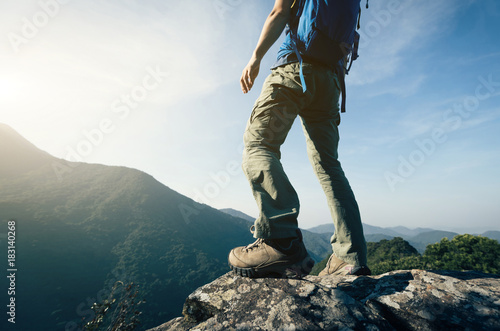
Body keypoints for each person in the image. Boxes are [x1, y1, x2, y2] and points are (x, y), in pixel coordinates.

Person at [228, 0, 371, 278]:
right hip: (330, 83)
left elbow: (279, 11)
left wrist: (255, 57)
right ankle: (351, 257)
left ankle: (281, 241)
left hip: (294, 69)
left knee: (259, 146)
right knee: (329, 166)